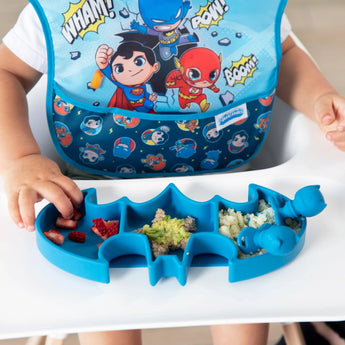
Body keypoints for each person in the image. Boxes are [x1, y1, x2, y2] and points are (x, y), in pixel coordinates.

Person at [0, 4, 345, 345]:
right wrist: (21, 156)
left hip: (223, 179)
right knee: (105, 303)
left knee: (244, 295)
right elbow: (6, 71)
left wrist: (321, 98)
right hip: (99, 191)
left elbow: (280, 54)